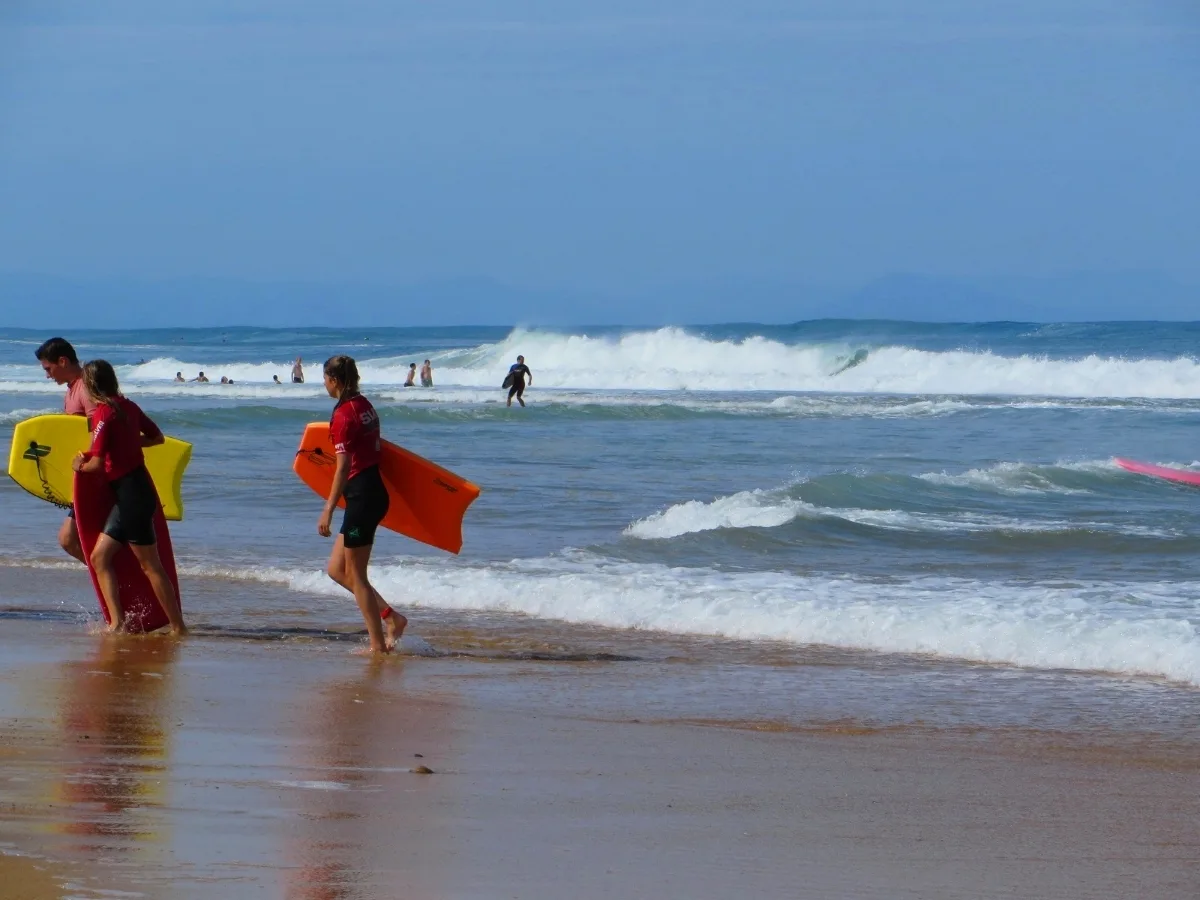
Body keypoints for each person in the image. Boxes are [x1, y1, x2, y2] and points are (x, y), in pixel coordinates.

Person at [69, 360, 187, 636]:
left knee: (151, 566)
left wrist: (79, 466)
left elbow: (96, 465)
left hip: (132, 497)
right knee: (100, 557)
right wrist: (130, 442)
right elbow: (157, 438)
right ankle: (117, 624)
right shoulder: (129, 407)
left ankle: (179, 628)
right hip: (132, 494)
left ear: (91, 385)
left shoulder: (103, 413)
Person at [318, 355, 407, 653]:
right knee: (336, 569)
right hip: (370, 492)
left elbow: (342, 467)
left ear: (335, 380)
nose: (324, 384)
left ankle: (377, 644)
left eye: (325, 378)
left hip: (362, 497)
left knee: (357, 575)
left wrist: (328, 509)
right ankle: (391, 616)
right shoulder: (365, 405)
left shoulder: (344, 416)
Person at [35, 337, 97, 563]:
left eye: (48, 368)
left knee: (69, 539)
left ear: (62, 361)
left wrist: (90, 469)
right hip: (81, 475)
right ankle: (112, 583)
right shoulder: (73, 389)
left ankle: (116, 582)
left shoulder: (87, 388)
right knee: (76, 540)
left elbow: (98, 430)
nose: (47, 375)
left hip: (93, 476)